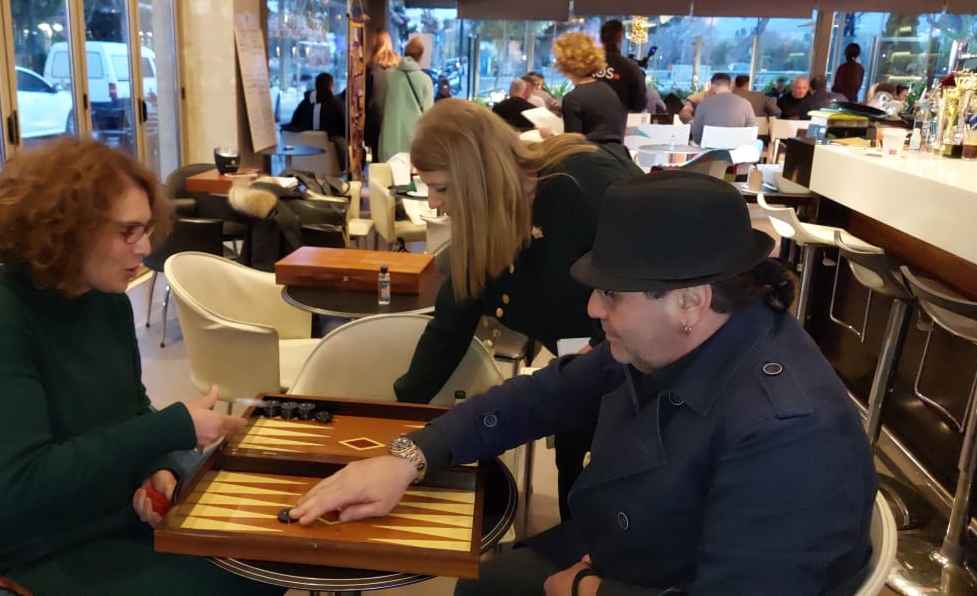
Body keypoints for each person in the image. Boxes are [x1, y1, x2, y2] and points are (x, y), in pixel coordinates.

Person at [291, 171, 877, 595]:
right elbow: (542, 396)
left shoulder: (790, 432)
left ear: (690, 301)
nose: (593, 308)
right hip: (634, 545)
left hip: (661, 577)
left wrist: (586, 589)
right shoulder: (670, 338)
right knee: (482, 583)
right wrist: (410, 456)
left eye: (611, 294)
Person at [0, 139, 282, 595]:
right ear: (66, 229)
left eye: (146, 229)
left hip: (92, 521)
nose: (145, 247)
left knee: (268, 554)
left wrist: (154, 466)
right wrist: (171, 430)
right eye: (127, 232)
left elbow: (128, 409)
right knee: (248, 576)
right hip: (12, 553)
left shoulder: (104, 301)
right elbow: (17, 488)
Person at [391, 99, 643, 521]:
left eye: (443, 188)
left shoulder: (582, 181)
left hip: (642, 375)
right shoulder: (486, 223)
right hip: (580, 374)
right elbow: (449, 327)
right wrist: (400, 415)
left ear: (477, 174)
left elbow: (654, 281)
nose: (433, 204)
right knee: (574, 486)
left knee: (612, 505)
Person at [553, 32, 627, 159]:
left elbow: (572, 147)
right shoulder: (608, 90)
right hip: (618, 157)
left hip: (591, 160)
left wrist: (549, 137)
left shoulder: (573, 99)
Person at [379, 35, 433, 162]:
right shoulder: (425, 80)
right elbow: (428, 116)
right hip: (413, 143)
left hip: (389, 142)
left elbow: (380, 106)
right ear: (420, 56)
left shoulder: (388, 76)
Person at [285, 72, 347, 172]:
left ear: (316, 85)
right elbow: (344, 129)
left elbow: (294, 124)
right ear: (331, 86)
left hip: (302, 160)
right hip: (329, 159)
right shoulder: (335, 105)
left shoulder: (303, 104)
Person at [691, 72, 756, 145]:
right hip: (737, 149)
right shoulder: (745, 103)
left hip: (710, 150)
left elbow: (696, 134)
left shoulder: (703, 104)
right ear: (731, 84)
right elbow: (752, 131)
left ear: (711, 85)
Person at [597, 19, 647, 112]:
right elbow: (639, 104)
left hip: (588, 119)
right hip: (618, 119)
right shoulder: (631, 67)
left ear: (600, 38)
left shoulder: (588, 65)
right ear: (621, 38)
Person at [364, 29, 400, 158]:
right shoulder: (399, 66)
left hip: (376, 122)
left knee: (377, 161)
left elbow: (366, 99)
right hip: (395, 121)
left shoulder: (370, 68)